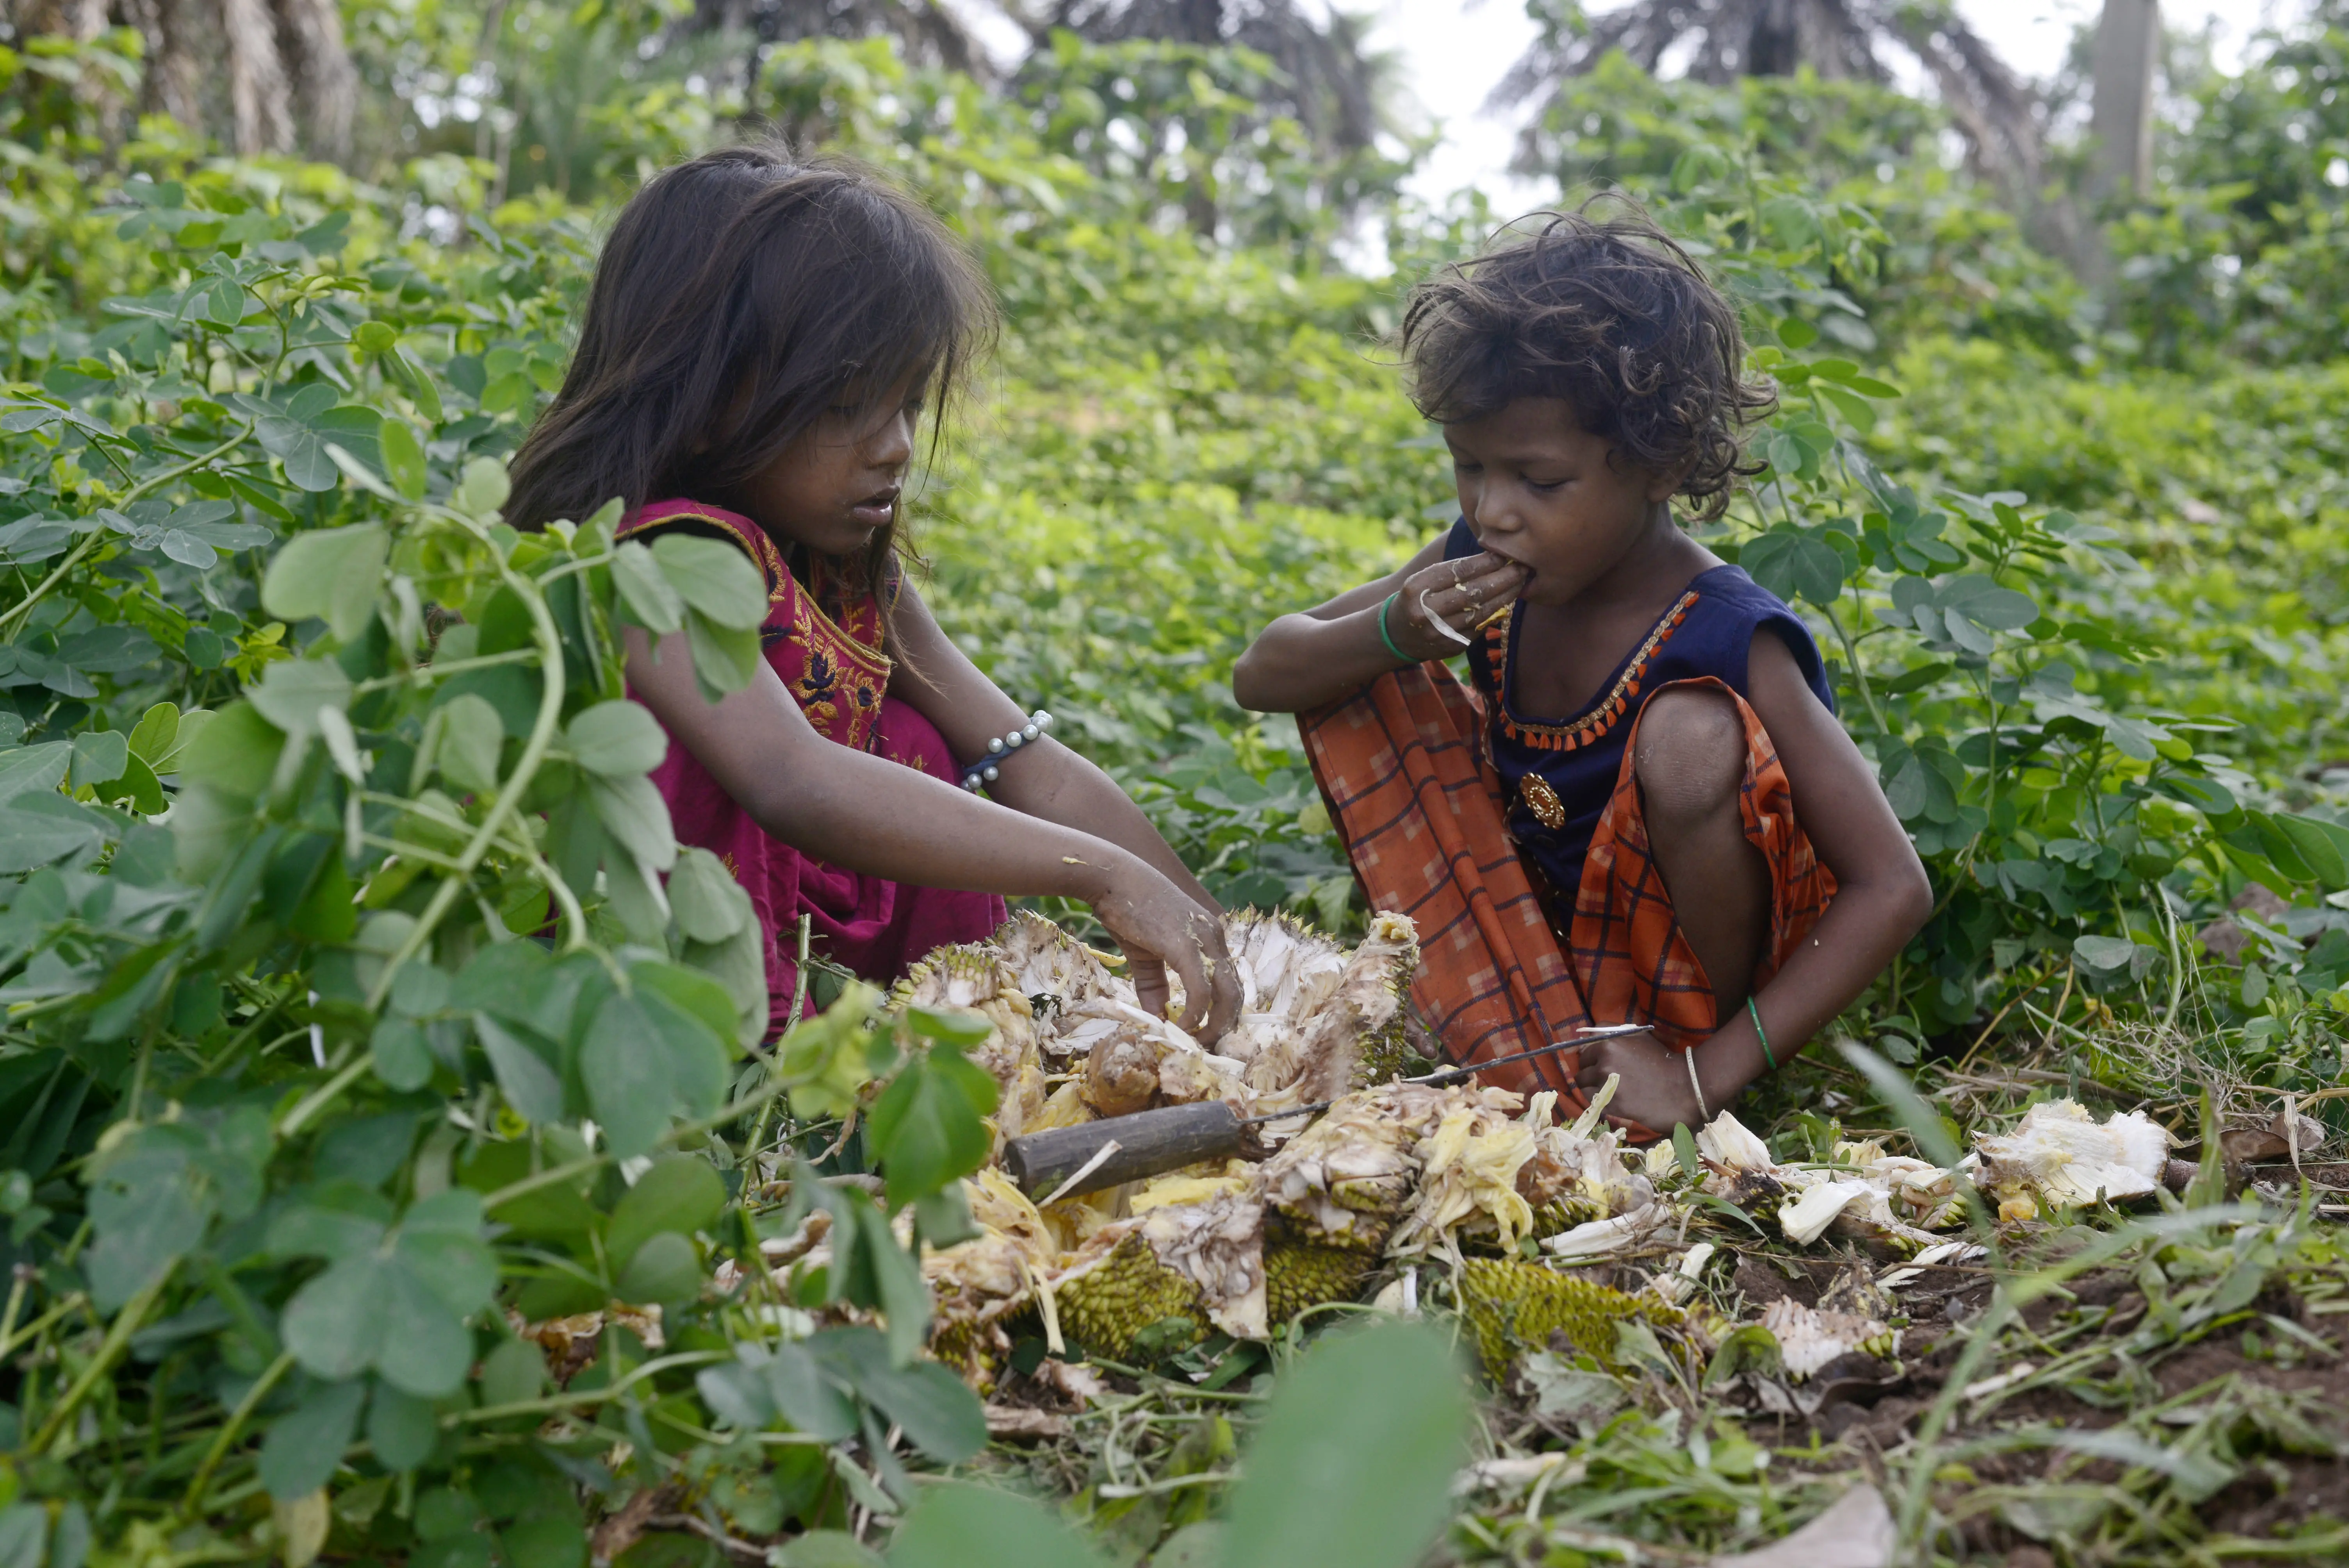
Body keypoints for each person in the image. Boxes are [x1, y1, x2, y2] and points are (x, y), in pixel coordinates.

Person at [507, 144, 1239, 1044]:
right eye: (846, 403)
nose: (894, 445)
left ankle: (946, 1041)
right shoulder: (645, 562)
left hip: (827, 963)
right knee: (795, 761)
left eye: (908, 403)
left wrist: (1216, 932)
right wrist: (1097, 874)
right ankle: (766, 1107)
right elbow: (790, 781)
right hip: (655, 990)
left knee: (920, 741)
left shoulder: (851, 577)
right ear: (704, 386)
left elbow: (1024, 759)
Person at [1231, 203, 1931, 1138]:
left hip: (1695, 1006)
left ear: (1659, 463)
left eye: (1539, 481)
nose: (1492, 511)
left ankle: (1678, 1066)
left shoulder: (1726, 634)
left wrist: (1698, 1079)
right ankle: (1514, 1028)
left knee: (1690, 737)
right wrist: (1396, 633)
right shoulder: (1472, 570)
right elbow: (1264, 672)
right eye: (1468, 467)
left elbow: (1891, 884)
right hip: (1526, 956)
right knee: (1363, 667)